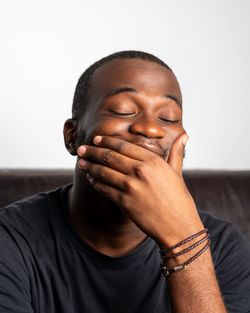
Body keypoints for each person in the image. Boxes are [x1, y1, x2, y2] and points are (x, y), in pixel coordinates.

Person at [0, 51, 250, 313]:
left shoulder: (224, 248)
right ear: (72, 137)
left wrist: (183, 241)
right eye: (123, 110)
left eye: (168, 117)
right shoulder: (11, 240)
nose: (150, 129)